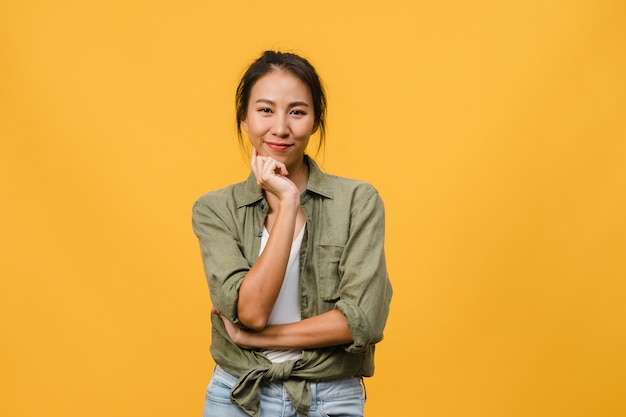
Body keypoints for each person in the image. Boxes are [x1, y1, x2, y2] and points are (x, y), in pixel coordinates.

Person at [192, 50, 392, 417]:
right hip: (238, 396)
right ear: (244, 118)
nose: (281, 128)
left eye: (297, 111)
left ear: (315, 121)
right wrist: (287, 205)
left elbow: (361, 319)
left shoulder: (357, 201)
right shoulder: (214, 209)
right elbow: (250, 311)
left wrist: (252, 339)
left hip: (330, 397)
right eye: (265, 110)